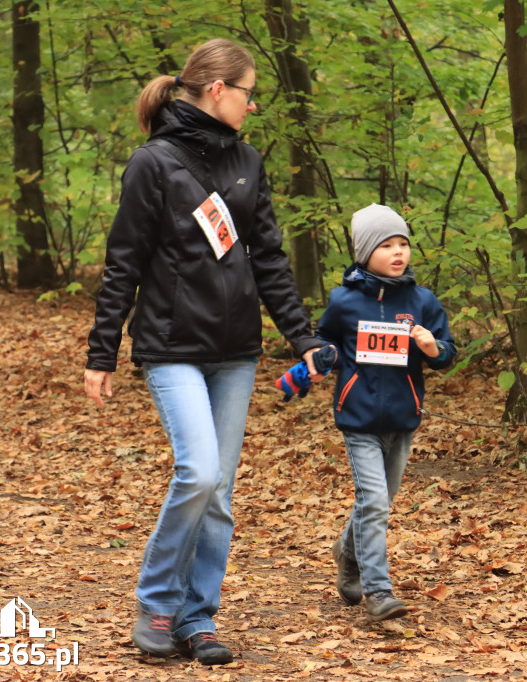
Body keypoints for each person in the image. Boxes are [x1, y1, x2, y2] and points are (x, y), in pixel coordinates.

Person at [83, 38, 324, 665]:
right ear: (218, 90)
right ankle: (157, 602)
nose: (252, 105)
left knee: (220, 492)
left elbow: (268, 257)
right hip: (171, 346)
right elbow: (124, 264)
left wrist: (304, 338)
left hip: (236, 350)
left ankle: (198, 617)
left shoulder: (247, 160)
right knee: (199, 471)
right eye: (248, 94)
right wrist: (102, 351)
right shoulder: (154, 163)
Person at [313, 203, 457, 621]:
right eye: (387, 245)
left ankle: (347, 551)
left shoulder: (421, 301)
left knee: (380, 501)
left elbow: (446, 353)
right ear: (364, 253)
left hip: (402, 417)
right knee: (373, 501)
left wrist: (434, 348)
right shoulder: (344, 301)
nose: (398, 253)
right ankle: (378, 591)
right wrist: (324, 357)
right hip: (358, 418)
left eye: (403, 244)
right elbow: (324, 340)